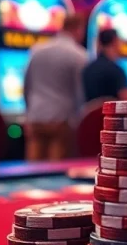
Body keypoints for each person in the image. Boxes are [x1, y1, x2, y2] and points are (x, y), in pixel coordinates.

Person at [23, 13, 88, 161]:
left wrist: (28, 112)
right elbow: (80, 93)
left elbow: (27, 85)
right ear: (77, 29)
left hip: (36, 116)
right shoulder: (79, 55)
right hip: (62, 119)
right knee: (55, 173)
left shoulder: (36, 50)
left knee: (32, 171)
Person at [83, 29, 127, 103]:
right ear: (115, 42)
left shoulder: (88, 69)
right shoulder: (116, 71)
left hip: (91, 114)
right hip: (111, 114)